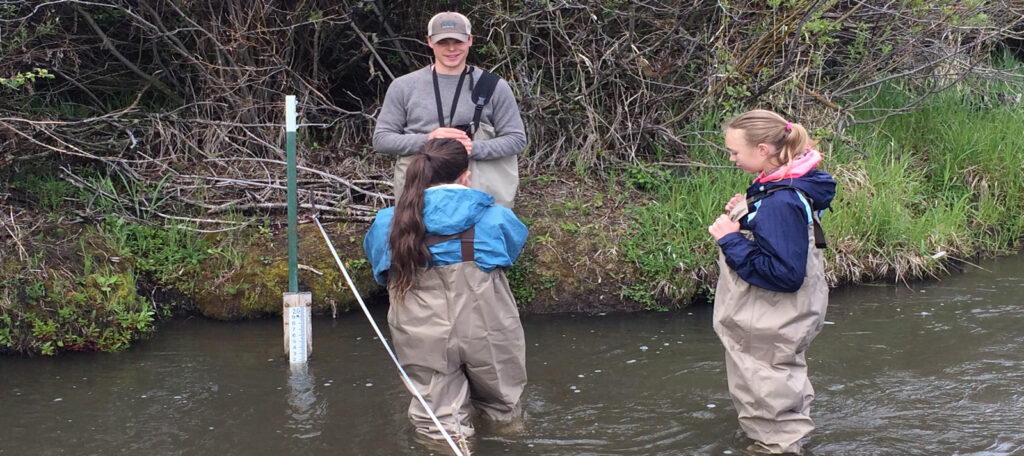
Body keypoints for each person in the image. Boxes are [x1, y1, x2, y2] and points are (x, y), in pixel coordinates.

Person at [363, 138, 528, 441]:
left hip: (419, 326)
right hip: (487, 322)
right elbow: (511, 251)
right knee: (503, 407)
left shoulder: (388, 222)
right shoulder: (496, 217)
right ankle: (508, 444)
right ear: (466, 176)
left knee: (438, 422)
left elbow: (381, 271)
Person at [707, 109, 837, 455]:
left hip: (771, 315)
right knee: (780, 378)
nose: (732, 158)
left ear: (763, 149)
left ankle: (780, 449)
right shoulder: (783, 184)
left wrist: (730, 239)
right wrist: (748, 214)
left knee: (765, 389)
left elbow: (784, 274)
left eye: (735, 152)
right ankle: (796, 441)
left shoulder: (779, 200)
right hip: (787, 315)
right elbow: (781, 234)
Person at [373, 11, 526, 209]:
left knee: (477, 239)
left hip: (478, 192)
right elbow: (381, 139)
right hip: (420, 193)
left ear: (470, 40)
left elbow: (516, 139)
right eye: (443, 42)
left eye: (458, 41)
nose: (451, 49)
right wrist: (429, 140)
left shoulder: (495, 86)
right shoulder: (402, 86)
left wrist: (472, 148)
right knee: (418, 239)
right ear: (429, 42)